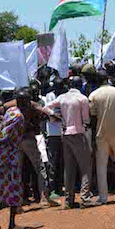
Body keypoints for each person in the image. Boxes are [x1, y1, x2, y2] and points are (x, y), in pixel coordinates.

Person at [44, 76, 95, 208]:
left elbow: (46, 107)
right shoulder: (82, 98)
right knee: (86, 166)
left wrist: (56, 117)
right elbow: (86, 120)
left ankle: (68, 199)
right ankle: (85, 198)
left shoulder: (62, 97)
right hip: (78, 133)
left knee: (69, 167)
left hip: (65, 134)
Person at [0, 90, 27, 229]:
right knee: (12, 192)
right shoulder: (18, 116)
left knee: (7, 192)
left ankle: (6, 222)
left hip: (2, 157)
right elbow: (2, 136)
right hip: (8, 158)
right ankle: (5, 222)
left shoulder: (11, 111)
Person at [89, 70, 115, 205]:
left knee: (101, 165)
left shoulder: (93, 95)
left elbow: (93, 118)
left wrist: (94, 137)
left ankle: (103, 197)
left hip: (101, 134)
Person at [43, 77, 66, 197]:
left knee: (62, 161)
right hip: (53, 133)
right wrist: (57, 117)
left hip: (64, 131)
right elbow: (48, 111)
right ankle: (52, 188)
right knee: (53, 161)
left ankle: (60, 186)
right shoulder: (49, 96)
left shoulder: (65, 96)